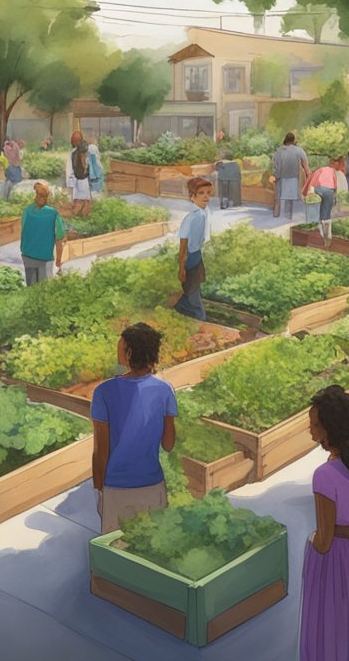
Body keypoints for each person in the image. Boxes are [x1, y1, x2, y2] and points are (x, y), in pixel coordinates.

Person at [300, 385, 349, 661]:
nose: (310, 430)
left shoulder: (324, 475)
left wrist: (309, 541)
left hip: (331, 561)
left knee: (328, 629)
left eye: (315, 425)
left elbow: (323, 540)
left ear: (329, 429)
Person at [91, 323, 177, 534]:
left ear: (130, 352)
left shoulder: (104, 392)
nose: (117, 350)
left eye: (121, 347)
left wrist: (99, 489)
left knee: (115, 552)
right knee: (152, 550)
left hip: (116, 486)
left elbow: (101, 450)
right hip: (152, 484)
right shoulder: (165, 390)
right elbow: (168, 444)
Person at [174, 177, 212, 321]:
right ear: (192, 197)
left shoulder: (204, 213)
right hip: (190, 257)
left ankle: (180, 310)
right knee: (193, 293)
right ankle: (200, 319)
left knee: (192, 289)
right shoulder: (191, 218)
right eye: (201, 193)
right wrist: (182, 267)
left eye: (208, 192)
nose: (206, 196)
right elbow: (183, 244)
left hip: (197, 256)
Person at [19, 181, 66, 286]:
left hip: (27, 255)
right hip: (45, 257)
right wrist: (58, 260)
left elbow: (23, 231)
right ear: (47, 196)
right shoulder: (53, 214)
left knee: (31, 288)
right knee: (44, 290)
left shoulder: (27, 211)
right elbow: (59, 239)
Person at [304, 157, 345, 247]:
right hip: (330, 190)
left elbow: (312, 182)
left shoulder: (319, 170)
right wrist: (334, 197)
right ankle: (328, 234)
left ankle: (320, 232)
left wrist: (307, 193)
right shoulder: (333, 172)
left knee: (315, 208)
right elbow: (335, 185)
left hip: (319, 189)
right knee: (326, 212)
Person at [273, 132, 311, 218]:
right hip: (293, 178)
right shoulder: (299, 150)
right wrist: (309, 175)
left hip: (281, 178)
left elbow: (275, 166)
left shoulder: (279, 151)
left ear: (285, 140)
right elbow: (305, 165)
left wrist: (275, 176)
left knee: (279, 197)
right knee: (290, 198)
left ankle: (277, 214)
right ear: (293, 140)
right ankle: (289, 216)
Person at [66, 132, 93, 217]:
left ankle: (81, 216)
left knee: (83, 200)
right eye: (75, 140)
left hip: (81, 179)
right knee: (81, 200)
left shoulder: (83, 152)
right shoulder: (74, 154)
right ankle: (79, 216)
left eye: (77, 140)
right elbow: (70, 169)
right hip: (79, 179)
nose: (76, 142)